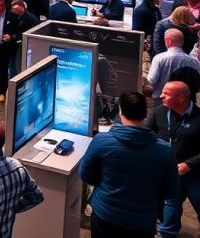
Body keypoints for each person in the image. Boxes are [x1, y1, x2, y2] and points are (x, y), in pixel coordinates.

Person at [80, 92, 178, 238]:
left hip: (105, 213)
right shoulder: (165, 150)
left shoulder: (101, 141)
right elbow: (171, 192)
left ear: (121, 111)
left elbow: (85, 175)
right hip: (143, 221)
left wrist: (105, 183)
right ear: (146, 113)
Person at [147, 81, 200, 237]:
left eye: (166, 93)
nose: (161, 96)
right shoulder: (160, 111)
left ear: (181, 98)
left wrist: (189, 164)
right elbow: (147, 134)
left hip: (194, 174)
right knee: (170, 205)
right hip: (168, 171)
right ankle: (168, 233)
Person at [147, 30, 200, 101]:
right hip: (183, 101)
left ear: (168, 41)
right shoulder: (193, 61)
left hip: (160, 99)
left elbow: (151, 81)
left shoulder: (159, 58)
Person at [7, 0, 39, 78]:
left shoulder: (31, 19)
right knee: (12, 63)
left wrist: (13, 36)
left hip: (24, 44)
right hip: (13, 43)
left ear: (22, 7)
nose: (14, 10)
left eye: (16, 9)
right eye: (13, 9)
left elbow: (29, 33)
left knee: (18, 63)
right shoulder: (13, 15)